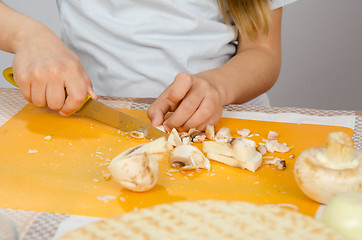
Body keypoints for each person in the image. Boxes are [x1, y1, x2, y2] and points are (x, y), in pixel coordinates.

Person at [0, 0, 297, 132]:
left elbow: (262, 51)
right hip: (88, 117)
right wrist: (27, 36)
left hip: (225, 123)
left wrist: (218, 86)